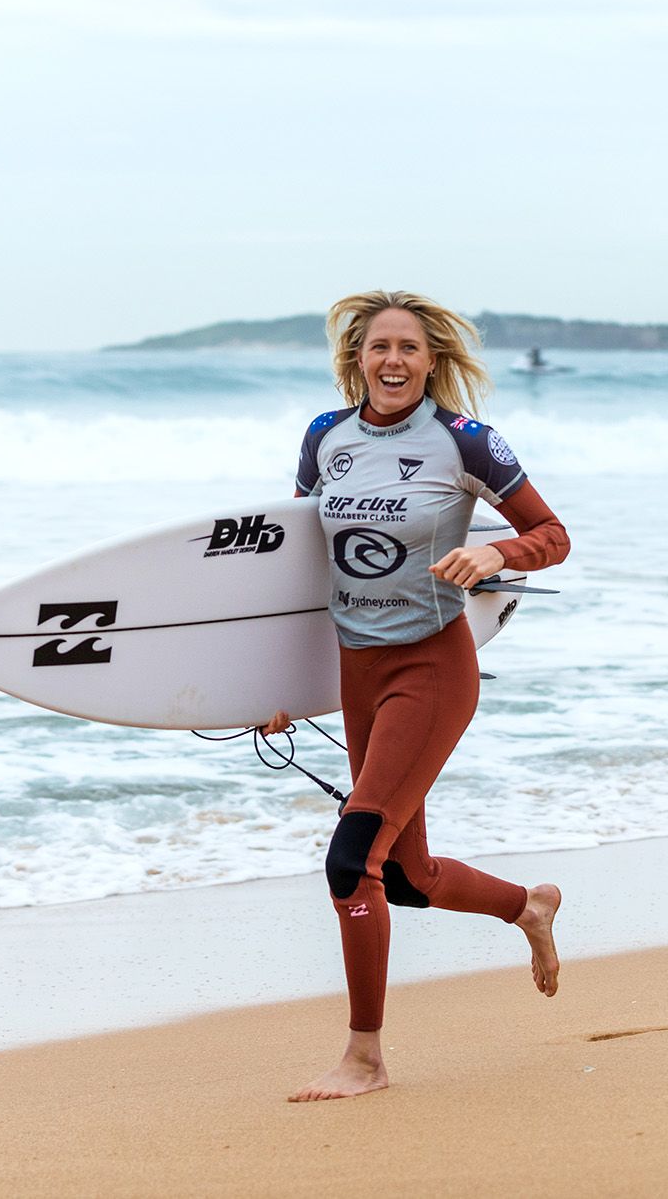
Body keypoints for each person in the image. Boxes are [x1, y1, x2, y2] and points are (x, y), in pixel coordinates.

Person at [261, 290, 571, 1102]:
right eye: (378, 347)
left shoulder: (465, 441)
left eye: (408, 347)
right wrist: (275, 688)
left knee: (349, 858)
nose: (392, 360)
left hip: (431, 670)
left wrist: (494, 553)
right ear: (356, 359)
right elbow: (299, 573)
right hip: (357, 672)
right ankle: (527, 905)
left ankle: (365, 1057)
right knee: (404, 874)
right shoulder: (325, 439)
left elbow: (553, 535)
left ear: (432, 361)